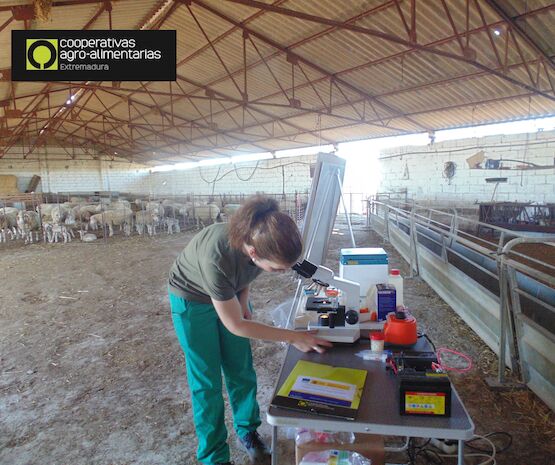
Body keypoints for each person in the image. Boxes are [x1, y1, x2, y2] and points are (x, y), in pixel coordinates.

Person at [168, 195, 332, 465]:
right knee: (206, 381)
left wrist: (243, 303)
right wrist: (294, 337)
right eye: (277, 269)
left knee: (240, 369)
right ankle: (215, 457)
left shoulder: (255, 245)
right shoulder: (217, 257)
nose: (281, 272)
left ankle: (248, 432)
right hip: (192, 298)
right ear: (254, 252)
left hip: (226, 293)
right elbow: (236, 325)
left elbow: (244, 275)